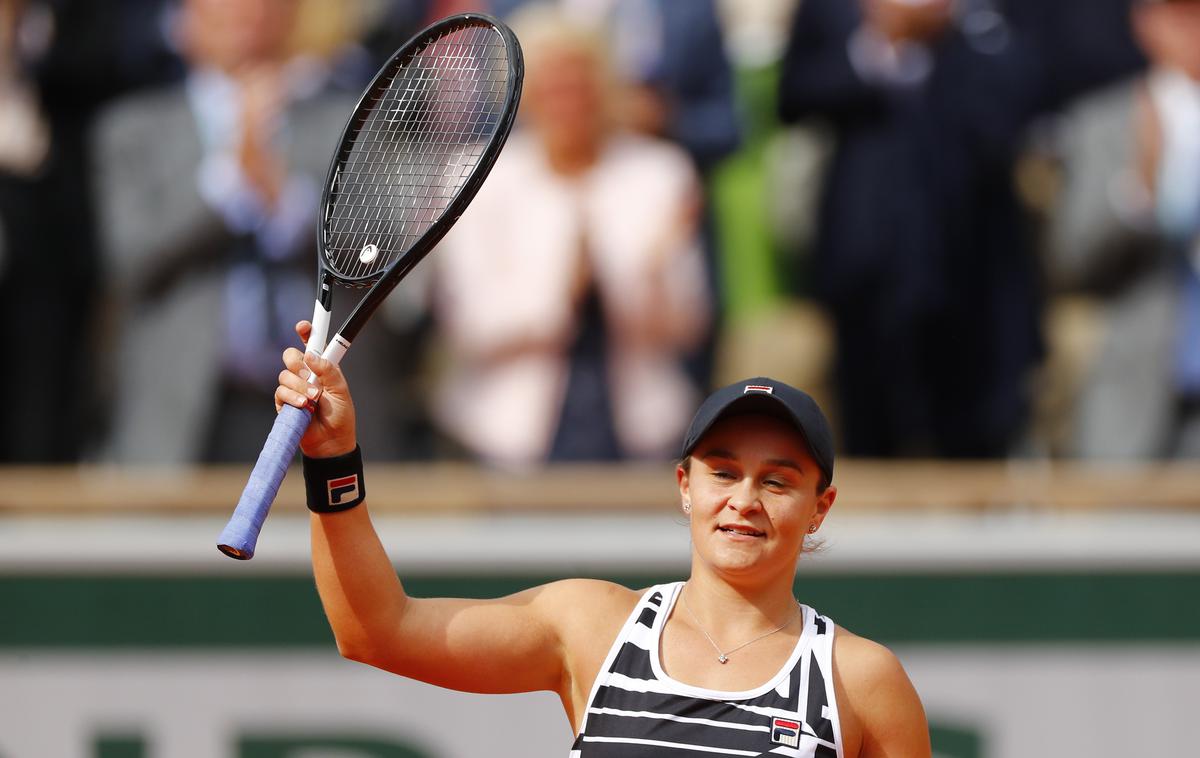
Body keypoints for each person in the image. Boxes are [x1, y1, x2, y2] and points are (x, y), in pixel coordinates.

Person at [274, 321, 931, 757]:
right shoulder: (593, 626)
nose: (743, 501)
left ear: (821, 508)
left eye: (777, 481)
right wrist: (333, 456)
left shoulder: (862, 681)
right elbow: (376, 631)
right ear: (684, 485)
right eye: (723, 472)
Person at [428, 7, 711, 467]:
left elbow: (689, 326)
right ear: (526, 96)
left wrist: (652, 278)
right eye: (553, 87)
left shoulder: (660, 173)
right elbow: (469, 325)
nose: (569, 102)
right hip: (507, 437)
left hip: (642, 432)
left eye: (581, 84)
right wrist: (563, 293)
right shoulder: (481, 176)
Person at [1048, 0, 1200, 458]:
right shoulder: (1104, 121)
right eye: (1181, 14)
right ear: (1145, 22)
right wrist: (1140, 192)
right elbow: (1070, 258)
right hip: (1135, 374)